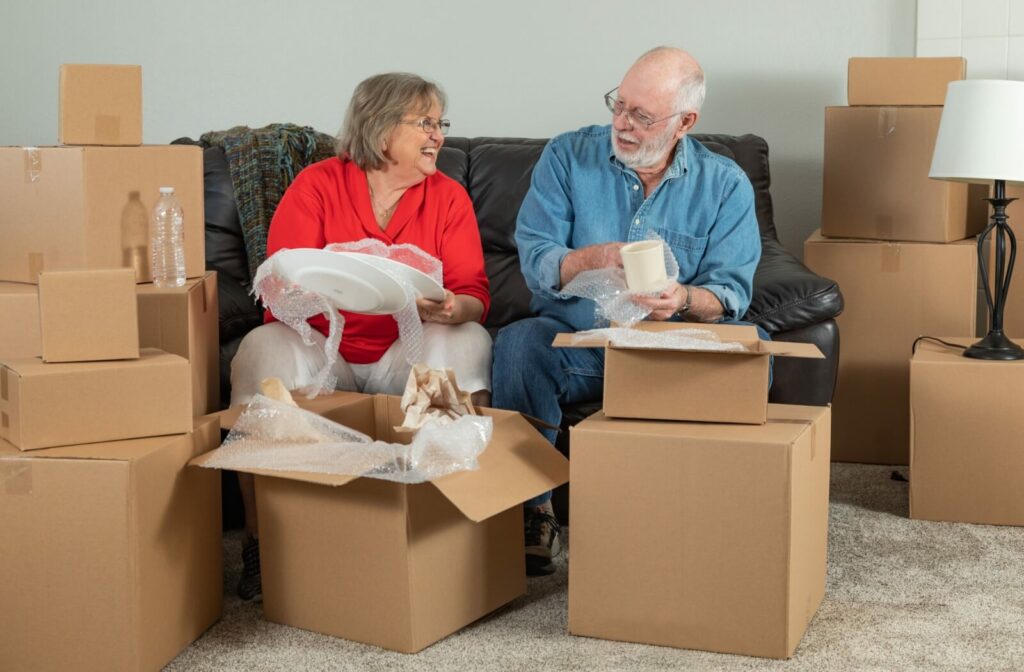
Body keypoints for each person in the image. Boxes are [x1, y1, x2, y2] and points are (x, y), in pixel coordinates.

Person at [492, 47, 762, 576]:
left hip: (671, 348)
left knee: (758, 353)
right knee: (519, 342)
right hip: (582, 344)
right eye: (619, 105)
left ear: (685, 122)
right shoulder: (568, 155)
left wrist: (682, 298)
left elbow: (731, 293)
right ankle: (532, 510)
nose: (622, 124)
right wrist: (593, 258)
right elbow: (536, 259)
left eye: (642, 115)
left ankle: (702, 509)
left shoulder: (725, 183)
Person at [229, 72, 492, 600]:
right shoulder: (319, 184)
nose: (438, 135)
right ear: (379, 129)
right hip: (326, 353)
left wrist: (450, 307)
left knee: (465, 340)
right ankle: (265, 541)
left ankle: (444, 519)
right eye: (425, 123)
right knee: (260, 349)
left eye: (441, 123)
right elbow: (282, 282)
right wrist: (339, 287)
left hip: (406, 354)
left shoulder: (449, 197)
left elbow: (475, 295)